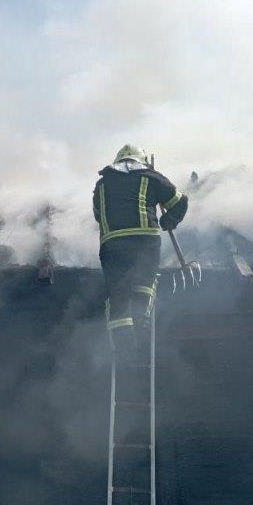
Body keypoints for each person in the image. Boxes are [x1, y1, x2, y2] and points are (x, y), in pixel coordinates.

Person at [92, 144, 189, 357]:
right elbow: (180, 201)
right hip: (145, 241)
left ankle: (124, 346)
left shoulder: (102, 184)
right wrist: (169, 219)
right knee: (145, 282)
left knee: (118, 293)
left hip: (113, 244)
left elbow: (98, 215)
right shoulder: (151, 178)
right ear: (141, 161)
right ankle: (141, 318)